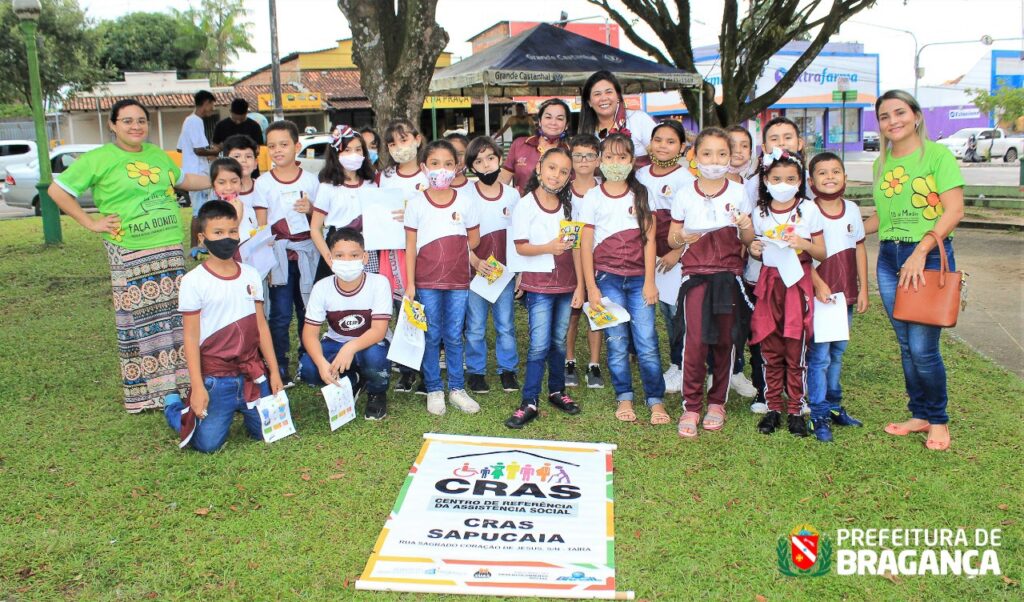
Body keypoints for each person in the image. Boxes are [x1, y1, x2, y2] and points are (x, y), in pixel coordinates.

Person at [48, 99, 210, 413]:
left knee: (175, 318)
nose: (136, 126)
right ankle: (152, 394)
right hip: (132, 250)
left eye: (141, 121)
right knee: (142, 321)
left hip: (169, 248)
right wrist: (91, 223)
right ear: (113, 124)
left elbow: (183, 181)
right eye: (127, 121)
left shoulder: (155, 154)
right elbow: (58, 191)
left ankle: (182, 385)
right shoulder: (99, 159)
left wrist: (222, 177)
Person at [864, 90, 965, 452]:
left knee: (923, 348)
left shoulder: (937, 156)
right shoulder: (881, 164)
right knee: (907, 345)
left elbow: (954, 211)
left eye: (900, 112)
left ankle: (937, 419)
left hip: (927, 257)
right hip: (890, 258)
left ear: (917, 116)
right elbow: (882, 218)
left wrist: (921, 251)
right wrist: (842, 227)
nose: (893, 121)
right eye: (885, 116)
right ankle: (919, 414)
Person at [169, 200, 283, 452]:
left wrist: (274, 372)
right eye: (218, 232)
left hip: (252, 372)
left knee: (271, 432)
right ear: (202, 238)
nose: (227, 238)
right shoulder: (193, 281)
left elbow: (261, 326)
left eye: (232, 231)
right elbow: (190, 337)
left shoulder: (251, 273)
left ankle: (240, 408)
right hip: (216, 378)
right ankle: (174, 408)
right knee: (207, 444)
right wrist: (198, 387)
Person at [665, 127, 754, 437]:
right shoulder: (685, 193)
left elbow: (748, 239)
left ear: (730, 157)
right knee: (695, 342)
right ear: (695, 156)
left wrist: (745, 226)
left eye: (721, 154)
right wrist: (682, 237)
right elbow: (672, 238)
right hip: (695, 277)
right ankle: (691, 405)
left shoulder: (738, 192)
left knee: (725, 341)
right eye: (707, 153)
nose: (714, 161)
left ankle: (717, 402)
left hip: (728, 277)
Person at [579, 134, 666, 424]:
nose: (615, 162)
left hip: (640, 279)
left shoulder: (642, 194)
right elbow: (585, 245)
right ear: (600, 160)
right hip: (607, 279)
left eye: (622, 157)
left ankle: (655, 400)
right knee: (616, 341)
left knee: (647, 341)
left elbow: (650, 241)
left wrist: (650, 281)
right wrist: (592, 287)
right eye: (609, 157)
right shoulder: (592, 197)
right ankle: (624, 396)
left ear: (632, 160)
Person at [747, 150, 826, 436]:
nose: (783, 184)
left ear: (800, 181)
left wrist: (803, 243)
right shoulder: (760, 212)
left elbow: (822, 252)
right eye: (777, 178)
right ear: (766, 180)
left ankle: (795, 409)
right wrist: (754, 249)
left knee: (795, 348)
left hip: (797, 283)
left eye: (791, 179)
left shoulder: (809, 209)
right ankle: (772, 408)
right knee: (770, 347)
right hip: (770, 285)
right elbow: (755, 250)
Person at [505, 148, 584, 429]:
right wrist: (549, 247)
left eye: (564, 171)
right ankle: (529, 401)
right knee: (539, 344)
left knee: (559, 341)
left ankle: (556, 390)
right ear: (539, 168)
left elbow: (577, 248)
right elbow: (521, 247)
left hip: (566, 284)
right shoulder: (526, 205)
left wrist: (580, 285)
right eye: (552, 168)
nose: (556, 175)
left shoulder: (570, 205)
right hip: (539, 285)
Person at [404, 140, 481, 415]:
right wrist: (410, 284)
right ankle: (434, 388)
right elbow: (410, 246)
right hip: (426, 282)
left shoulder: (466, 201)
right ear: (424, 167)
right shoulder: (416, 204)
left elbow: (474, 239)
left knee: (454, 335)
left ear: (457, 167)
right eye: (435, 164)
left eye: (448, 164)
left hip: (458, 282)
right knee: (431, 335)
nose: (442, 170)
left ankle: (457, 389)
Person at [806, 151, 869, 443]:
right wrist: (818, 284)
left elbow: (859, 248)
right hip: (821, 298)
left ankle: (833, 405)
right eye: (822, 172)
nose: (829, 177)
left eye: (835, 171)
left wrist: (863, 288)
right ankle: (817, 412)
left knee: (838, 353)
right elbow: (801, 255)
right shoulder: (807, 211)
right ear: (811, 181)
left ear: (845, 177)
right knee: (819, 357)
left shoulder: (853, 209)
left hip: (846, 297)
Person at [299, 228, 393, 420]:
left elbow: (378, 330)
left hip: (371, 343)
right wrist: (321, 363)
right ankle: (351, 379)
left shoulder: (379, 283)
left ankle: (376, 392)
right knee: (308, 368)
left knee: (375, 358)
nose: (347, 261)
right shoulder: (321, 287)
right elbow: (309, 334)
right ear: (330, 258)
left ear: (365, 258)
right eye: (340, 255)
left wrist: (349, 348)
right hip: (335, 341)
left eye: (354, 255)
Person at [252, 120, 320, 383]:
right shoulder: (263, 183)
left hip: (307, 254)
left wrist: (311, 209)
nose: (278, 150)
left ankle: (308, 359)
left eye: (284, 144)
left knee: (307, 309)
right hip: (278, 256)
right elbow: (261, 228)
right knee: (279, 314)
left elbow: (321, 221)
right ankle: (279, 364)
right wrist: (266, 261)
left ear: (297, 146)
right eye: (272, 146)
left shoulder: (311, 180)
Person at [636, 120, 695, 394]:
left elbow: (693, 221)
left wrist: (677, 251)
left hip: (674, 258)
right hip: (648, 255)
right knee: (657, 310)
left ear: (682, 147)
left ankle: (680, 365)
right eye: (658, 140)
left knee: (675, 313)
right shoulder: (640, 175)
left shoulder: (686, 179)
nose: (663, 146)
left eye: (671, 141)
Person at [462, 136, 521, 394]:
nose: (486, 165)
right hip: (475, 274)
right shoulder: (465, 195)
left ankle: (508, 370)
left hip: (504, 275)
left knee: (505, 325)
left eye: (490, 158)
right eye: (478, 161)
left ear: (499, 159)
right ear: (471, 167)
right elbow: (459, 236)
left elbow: (519, 235)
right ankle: (476, 372)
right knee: (475, 326)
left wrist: (519, 272)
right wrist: (475, 261)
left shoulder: (512, 195)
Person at [378, 118, 426, 394]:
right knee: (402, 309)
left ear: (418, 139)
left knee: (425, 308)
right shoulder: (384, 177)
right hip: (394, 251)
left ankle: (427, 370)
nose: (399, 147)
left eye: (404, 139)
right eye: (393, 143)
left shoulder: (429, 173)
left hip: (425, 252)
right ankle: (407, 370)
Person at [722, 124, 760, 400]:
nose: (738, 151)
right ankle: (722, 371)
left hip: (750, 263)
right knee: (723, 321)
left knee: (744, 321)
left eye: (744, 145)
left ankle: (739, 371)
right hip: (721, 263)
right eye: (731, 145)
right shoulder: (709, 182)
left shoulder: (756, 184)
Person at [564, 134, 605, 389]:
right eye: (578, 155)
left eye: (589, 155)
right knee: (572, 312)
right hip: (567, 259)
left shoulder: (606, 188)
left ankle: (594, 363)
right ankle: (569, 360)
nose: (583, 160)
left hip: (598, 259)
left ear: (598, 160)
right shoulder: (562, 190)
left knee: (594, 310)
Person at [310, 124, 375, 281]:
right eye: (347, 150)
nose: (354, 154)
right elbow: (315, 228)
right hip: (337, 249)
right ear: (336, 153)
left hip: (367, 249)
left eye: (358, 149)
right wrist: (329, 258)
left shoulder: (372, 184)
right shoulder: (327, 187)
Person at [578, 71, 657, 164]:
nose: (604, 98)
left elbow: (660, 155)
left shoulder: (638, 119)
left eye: (609, 92)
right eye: (597, 94)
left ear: (618, 96)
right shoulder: (586, 131)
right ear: (589, 102)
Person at [178, 90, 220, 257]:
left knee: (202, 210)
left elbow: (180, 148)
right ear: (206, 103)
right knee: (198, 212)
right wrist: (216, 150)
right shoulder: (196, 121)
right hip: (197, 173)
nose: (212, 108)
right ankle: (195, 247)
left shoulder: (188, 120)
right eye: (212, 104)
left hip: (192, 170)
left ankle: (200, 245)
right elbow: (198, 150)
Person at [499, 98, 571, 193]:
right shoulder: (519, 144)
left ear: (566, 125)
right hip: (521, 201)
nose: (553, 123)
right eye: (548, 117)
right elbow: (503, 180)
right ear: (540, 121)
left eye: (559, 118)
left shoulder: (571, 152)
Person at [222, 135, 261, 242]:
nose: (243, 160)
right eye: (237, 156)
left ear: (255, 163)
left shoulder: (263, 188)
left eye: (248, 156)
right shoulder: (221, 194)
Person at [208, 158, 257, 242]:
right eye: (221, 182)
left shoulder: (248, 208)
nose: (229, 187)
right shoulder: (210, 213)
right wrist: (237, 216)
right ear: (213, 185)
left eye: (234, 181)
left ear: (240, 182)